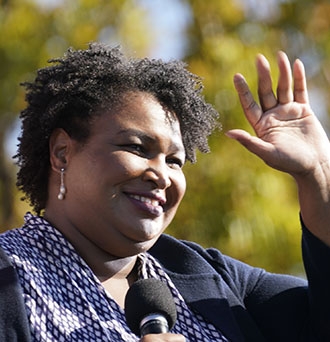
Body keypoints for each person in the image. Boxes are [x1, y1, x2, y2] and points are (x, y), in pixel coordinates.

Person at [0, 42, 329, 342]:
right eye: (137, 147)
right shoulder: (9, 278)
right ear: (61, 152)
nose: (161, 175)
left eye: (175, 161)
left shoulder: (209, 276)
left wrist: (319, 176)